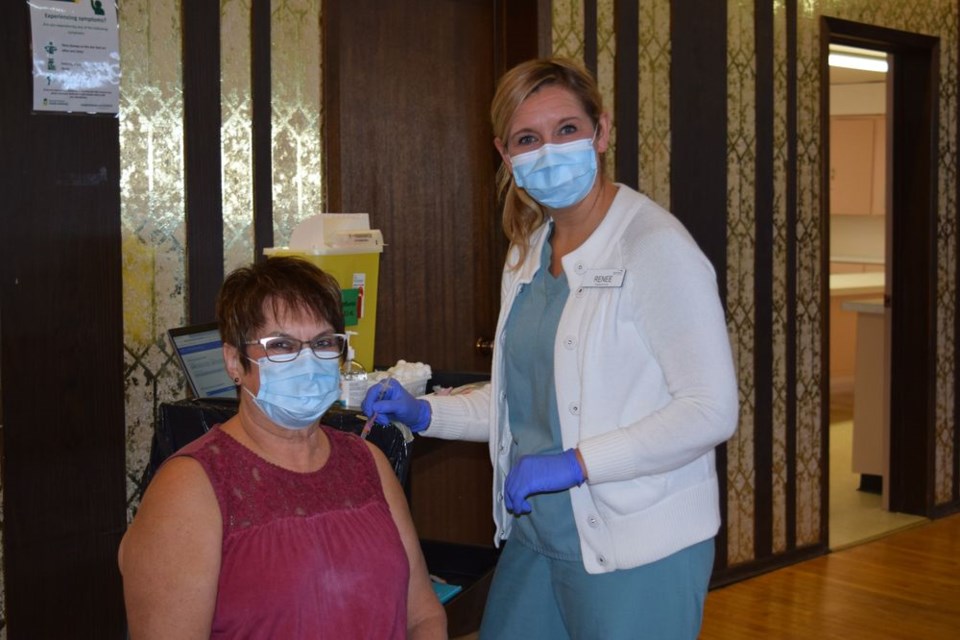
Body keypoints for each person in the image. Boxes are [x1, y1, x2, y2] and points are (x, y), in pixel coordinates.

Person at [362, 57, 739, 639]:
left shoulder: (654, 245)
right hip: (538, 534)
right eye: (527, 139)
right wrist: (427, 412)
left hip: (638, 545)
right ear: (505, 154)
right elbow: (530, 402)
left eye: (567, 129)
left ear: (602, 131)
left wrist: (577, 463)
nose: (549, 150)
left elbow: (710, 409)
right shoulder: (528, 251)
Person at [119, 256, 446, 639]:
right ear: (233, 361)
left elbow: (423, 616)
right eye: (281, 345)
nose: (307, 360)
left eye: (323, 343)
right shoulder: (190, 489)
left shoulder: (367, 462)